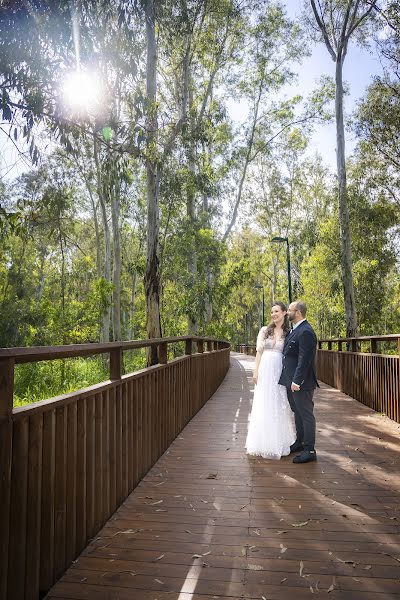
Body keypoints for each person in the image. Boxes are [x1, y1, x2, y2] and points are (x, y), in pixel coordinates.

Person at [245, 302, 296, 460]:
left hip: (279, 370)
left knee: (279, 403)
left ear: (284, 313)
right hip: (265, 370)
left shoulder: (289, 332)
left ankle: (278, 442)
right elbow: (259, 352)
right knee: (263, 403)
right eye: (272, 312)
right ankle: (261, 442)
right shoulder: (264, 331)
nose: (274, 314)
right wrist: (255, 371)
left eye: (277, 311)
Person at [279, 300, 319, 464]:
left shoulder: (306, 332)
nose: (287, 312)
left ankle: (309, 449)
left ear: (299, 312)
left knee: (306, 414)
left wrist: (297, 380)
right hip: (291, 381)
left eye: (289, 310)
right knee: (298, 412)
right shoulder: (295, 330)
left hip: (300, 382)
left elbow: (305, 359)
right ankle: (300, 442)